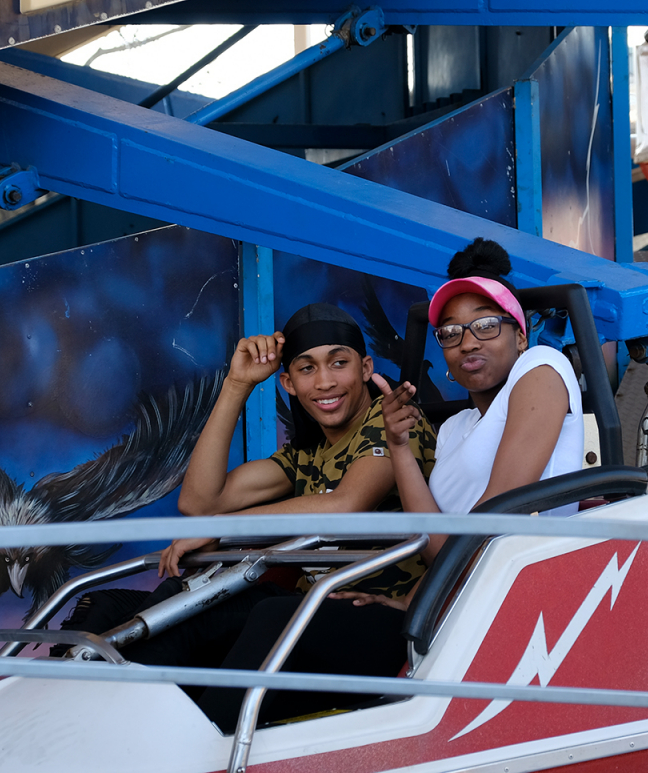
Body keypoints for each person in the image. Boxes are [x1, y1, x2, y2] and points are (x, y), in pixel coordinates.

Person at [188, 237, 585, 731]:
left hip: (521, 589)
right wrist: (398, 447)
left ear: (520, 335)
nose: (468, 342)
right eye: (451, 333)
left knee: (274, 619)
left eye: (486, 325)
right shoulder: (457, 430)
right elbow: (435, 540)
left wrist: (417, 596)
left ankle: (198, 747)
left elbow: (492, 519)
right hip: (459, 592)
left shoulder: (541, 367)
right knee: (238, 621)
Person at [57, 304, 438, 713]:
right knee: (113, 607)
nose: (325, 382)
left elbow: (347, 503)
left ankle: (137, 727)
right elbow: (200, 501)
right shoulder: (306, 455)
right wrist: (237, 384)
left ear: (365, 368)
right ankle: (67, 712)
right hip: (312, 608)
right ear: (288, 383)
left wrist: (224, 527)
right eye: (307, 369)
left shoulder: (393, 420)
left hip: (376, 616)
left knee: (235, 614)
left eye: (339, 363)